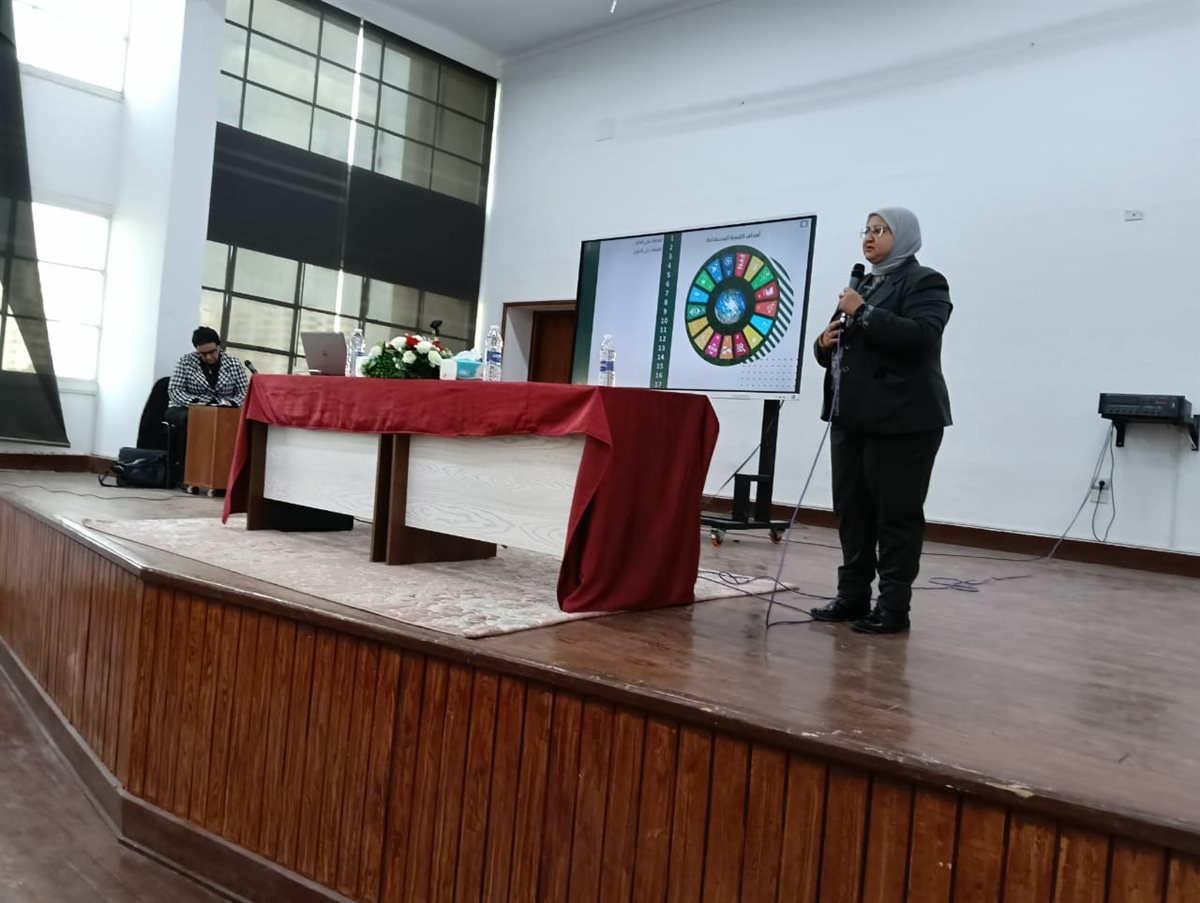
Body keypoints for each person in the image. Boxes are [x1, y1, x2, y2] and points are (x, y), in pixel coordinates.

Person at [809, 208, 952, 635]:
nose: (869, 237)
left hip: (903, 420)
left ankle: (892, 607)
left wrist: (864, 312)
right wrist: (823, 343)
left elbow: (921, 336)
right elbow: (838, 348)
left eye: (880, 230)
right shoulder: (864, 285)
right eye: (867, 230)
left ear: (903, 235)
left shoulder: (925, 281)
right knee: (852, 511)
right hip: (850, 417)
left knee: (895, 516)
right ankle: (852, 596)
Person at [165, 326, 250, 483]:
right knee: (191, 420)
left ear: (219, 346)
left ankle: (223, 477)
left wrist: (231, 403)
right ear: (196, 350)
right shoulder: (185, 362)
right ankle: (186, 474)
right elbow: (174, 390)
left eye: (212, 352)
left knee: (233, 422)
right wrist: (198, 404)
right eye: (203, 354)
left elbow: (244, 392)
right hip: (185, 408)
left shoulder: (233, 363)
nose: (209, 357)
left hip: (223, 409)